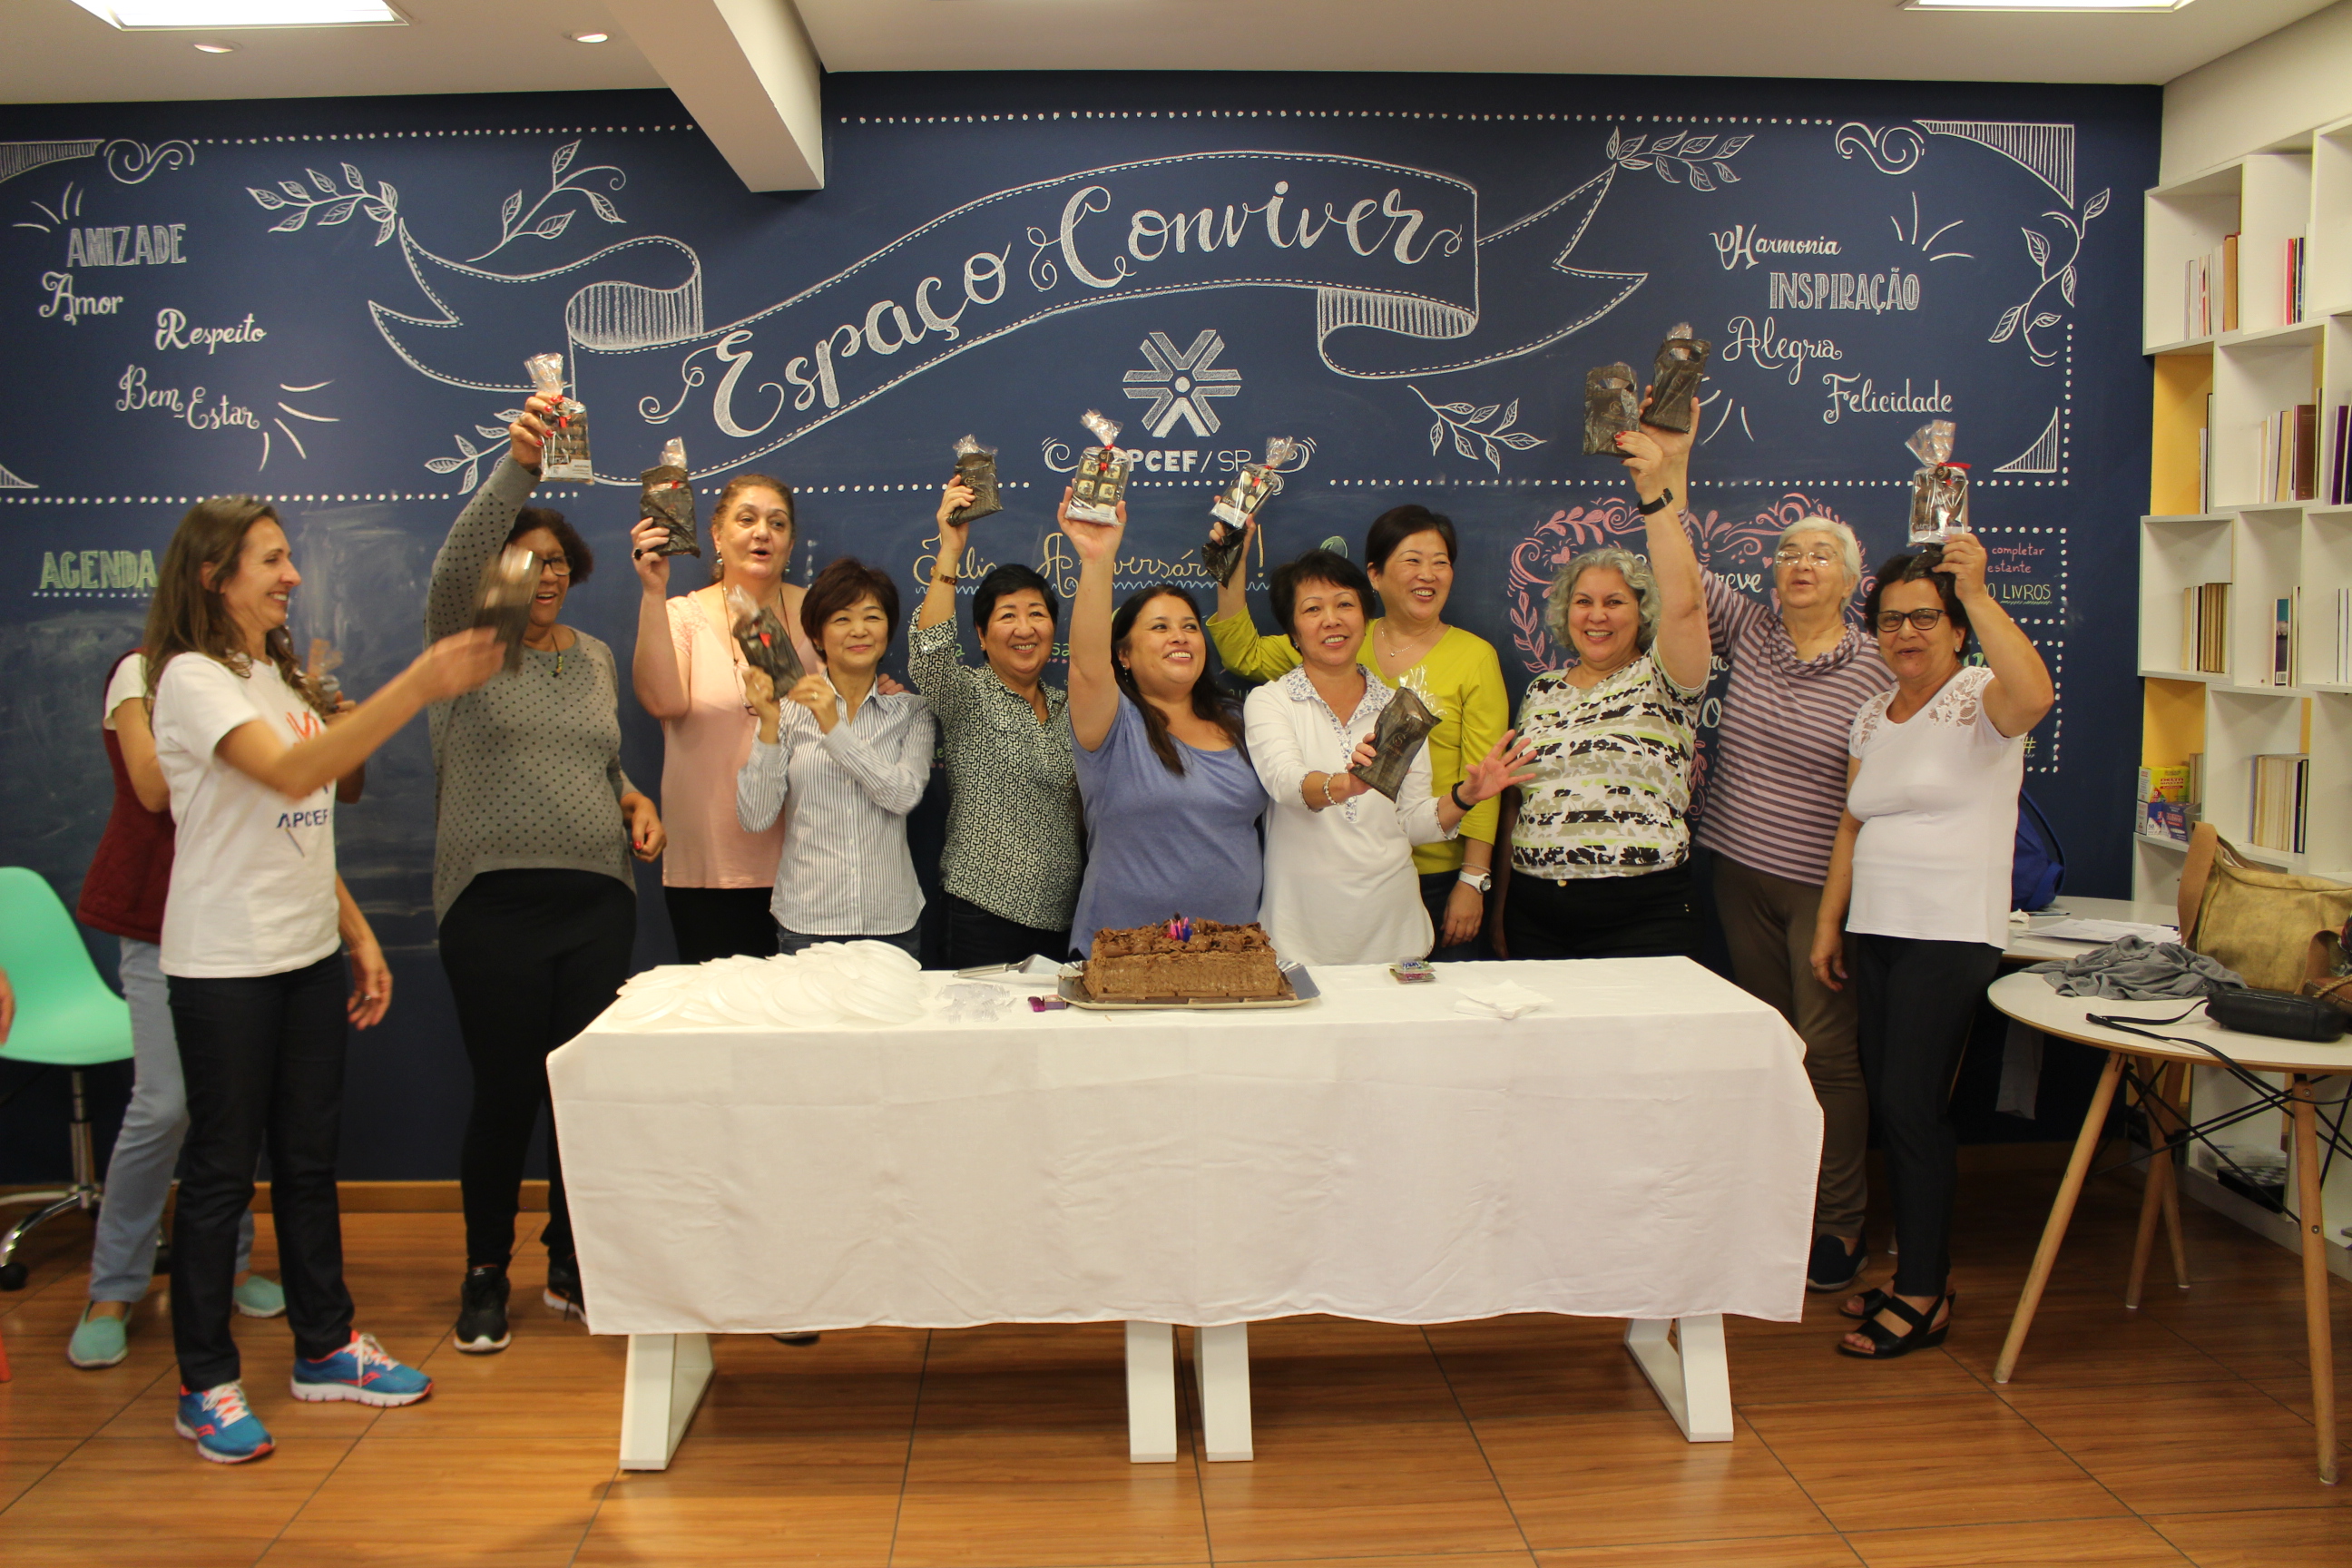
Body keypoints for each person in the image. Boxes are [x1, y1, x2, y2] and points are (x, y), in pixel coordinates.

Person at [147, 495, 502, 1463]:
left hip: (303, 955)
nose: (292, 574)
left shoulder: (272, 672)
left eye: (289, 557)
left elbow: (298, 825)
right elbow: (297, 775)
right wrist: (420, 683)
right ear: (214, 576)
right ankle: (204, 1384)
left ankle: (325, 1348)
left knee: (307, 1164)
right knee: (221, 1175)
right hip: (224, 965)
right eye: (270, 559)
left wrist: (354, 931)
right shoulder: (188, 679)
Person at [427, 397, 667, 1352]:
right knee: (506, 1094)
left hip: (596, 900)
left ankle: (574, 1259)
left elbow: (595, 764)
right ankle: (486, 1272)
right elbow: (456, 564)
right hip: (491, 903)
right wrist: (521, 465)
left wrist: (634, 799)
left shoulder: (597, 658)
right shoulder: (466, 645)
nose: (546, 575)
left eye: (559, 561)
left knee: (581, 1092)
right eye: (526, 560)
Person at [1809, 534, 2053, 1360]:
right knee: (1894, 1107)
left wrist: (1978, 591)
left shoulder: (1982, 697)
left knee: (1914, 1108)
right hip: (1876, 930)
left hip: (1947, 933)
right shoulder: (1873, 713)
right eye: (1890, 620)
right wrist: (1829, 923)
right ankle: (1919, 1271)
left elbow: (2037, 695)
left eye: (1924, 618)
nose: (1905, 633)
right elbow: (1852, 823)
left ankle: (1923, 1294)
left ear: (1955, 629)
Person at [66, 647, 289, 1370]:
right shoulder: (141, 671)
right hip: (155, 917)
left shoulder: (251, 675)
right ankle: (113, 1288)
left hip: (235, 915)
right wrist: (236, 741)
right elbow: (152, 786)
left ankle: (229, 1266)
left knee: (232, 1102)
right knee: (165, 1103)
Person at [1696, 515, 1896, 1295]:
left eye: (1821, 554)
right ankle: (1775, 1209)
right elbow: (1680, 573)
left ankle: (1840, 1221)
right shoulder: (1750, 630)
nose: (1801, 563)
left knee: (1828, 1056)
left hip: (1823, 889)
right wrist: (1661, 481)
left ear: (1852, 579)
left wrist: (1837, 915)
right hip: (1737, 873)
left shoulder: (1880, 664)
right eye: (1788, 553)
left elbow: (1871, 799)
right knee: (1770, 1048)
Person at [1210, 505, 1509, 958]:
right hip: (1301, 930)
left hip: (1394, 928)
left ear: (1363, 618)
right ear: (1293, 633)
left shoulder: (1401, 709)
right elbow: (1286, 782)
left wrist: (1463, 799)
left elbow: (1412, 823)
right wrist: (1346, 784)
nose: (1332, 619)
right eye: (1313, 609)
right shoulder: (1271, 701)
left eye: (1345, 605)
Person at [1497, 396, 1710, 958]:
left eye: (1615, 602)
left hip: (1644, 914)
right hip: (1535, 914)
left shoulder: (1665, 677)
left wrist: (1655, 490)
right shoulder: (1542, 691)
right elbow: (1518, 803)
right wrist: (1500, 906)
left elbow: (1687, 603)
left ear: (1642, 612)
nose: (1597, 615)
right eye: (1584, 601)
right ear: (1565, 613)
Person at [1062, 491, 1266, 952]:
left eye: (1190, 626)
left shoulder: (1242, 719)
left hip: (1230, 957)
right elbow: (1087, 666)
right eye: (1159, 627)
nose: (1179, 636)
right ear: (1123, 655)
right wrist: (1096, 559)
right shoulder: (1113, 723)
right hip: (1122, 958)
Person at [631, 472, 820, 963]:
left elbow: (846, 710)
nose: (762, 533)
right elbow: (662, 702)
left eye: (777, 523)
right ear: (716, 535)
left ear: (790, 542)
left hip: (809, 868)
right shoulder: (682, 614)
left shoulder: (822, 615)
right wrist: (652, 591)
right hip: (710, 867)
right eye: (747, 519)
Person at [909, 480, 1082, 966]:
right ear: (982, 636)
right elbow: (929, 657)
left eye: (1037, 614)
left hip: (1064, 918)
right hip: (980, 913)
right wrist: (950, 548)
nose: (1025, 628)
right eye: (1008, 616)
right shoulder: (966, 694)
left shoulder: (1072, 707)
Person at [738, 557, 936, 956]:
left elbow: (902, 796)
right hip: (807, 922)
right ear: (817, 634)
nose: (859, 630)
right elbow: (755, 817)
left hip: (890, 921)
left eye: (872, 617)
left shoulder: (912, 712)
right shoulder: (788, 712)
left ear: (888, 629)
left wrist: (833, 726)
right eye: (842, 619)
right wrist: (770, 724)